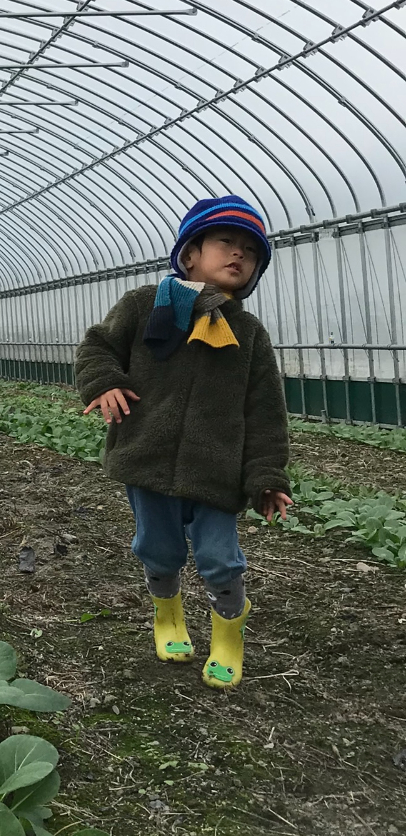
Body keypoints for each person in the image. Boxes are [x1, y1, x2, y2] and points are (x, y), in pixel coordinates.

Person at [74, 194, 292, 690]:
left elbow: (265, 414)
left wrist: (266, 475)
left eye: (250, 251)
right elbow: (97, 346)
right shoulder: (146, 305)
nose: (238, 254)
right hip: (147, 457)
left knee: (220, 558)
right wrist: (104, 381)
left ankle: (228, 636)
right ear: (189, 253)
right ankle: (168, 614)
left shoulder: (249, 334)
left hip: (218, 472)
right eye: (225, 242)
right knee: (158, 547)